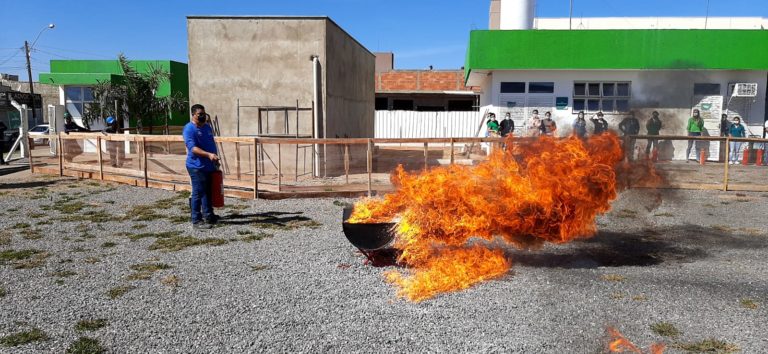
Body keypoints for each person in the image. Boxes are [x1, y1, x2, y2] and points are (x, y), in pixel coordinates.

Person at [183, 104, 220, 230]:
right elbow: (193, 148)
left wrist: (214, 158)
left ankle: (208, 215)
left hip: (209, 165)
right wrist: (209, 155)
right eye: (200, 114)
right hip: (196, 166)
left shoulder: (207, 127)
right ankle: (196, 220)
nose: (203, 116)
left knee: (207, 191)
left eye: (204, 113)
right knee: (198, 192)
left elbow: (210, 143)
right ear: (193, 115)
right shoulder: (189, 129)